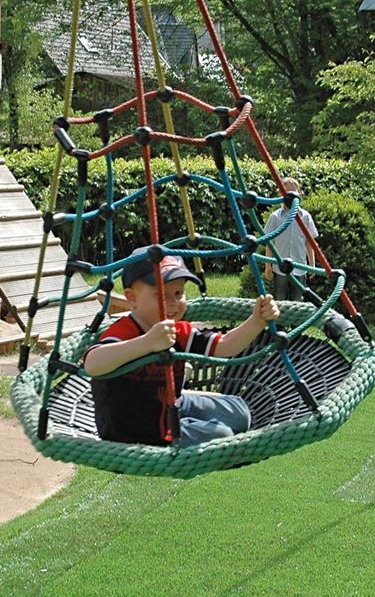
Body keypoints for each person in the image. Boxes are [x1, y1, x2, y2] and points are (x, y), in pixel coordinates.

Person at [83, 246, 278, 446]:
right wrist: (147, 342)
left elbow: (225, 345)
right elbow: (92, 364)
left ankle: (181, 399)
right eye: (161, 295)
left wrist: (257, 321)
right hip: (136, 429)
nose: (173, 303)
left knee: (240, 412)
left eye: (178, 293)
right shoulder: (125, 331)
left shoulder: (177, 331)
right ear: (132, 299)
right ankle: (183, 417)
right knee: (221, 434)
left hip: (168, 404)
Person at [262, 177, 319, 301]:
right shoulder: (275, 217)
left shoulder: (305, 217)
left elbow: (309, 243)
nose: (291, 195)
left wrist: (312, 264)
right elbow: (269, 242)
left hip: (299, 266)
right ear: (280, 194)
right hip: (279, 267)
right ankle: (279, 320)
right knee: (279, 299)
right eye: (287, 192)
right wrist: (268, 265)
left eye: (294, 191)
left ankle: (296, 321)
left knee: (297, 300)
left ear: (300, 194)